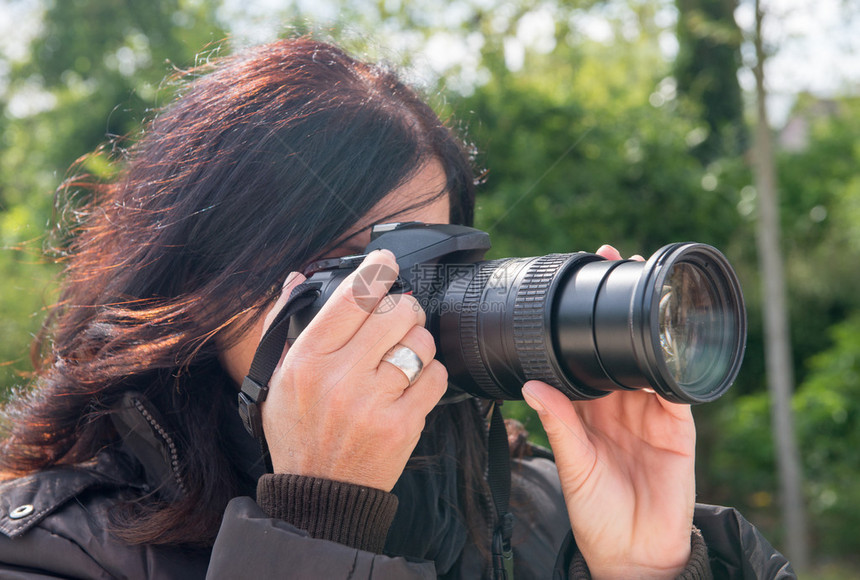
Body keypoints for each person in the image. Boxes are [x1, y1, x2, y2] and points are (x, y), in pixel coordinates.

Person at [0, 37, 792, 579]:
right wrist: (316, 527)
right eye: (350, 270)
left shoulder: (546, 519)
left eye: (428, 263)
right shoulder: (57, 551)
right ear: (200, 289)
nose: (401, 309)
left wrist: (650, 569)